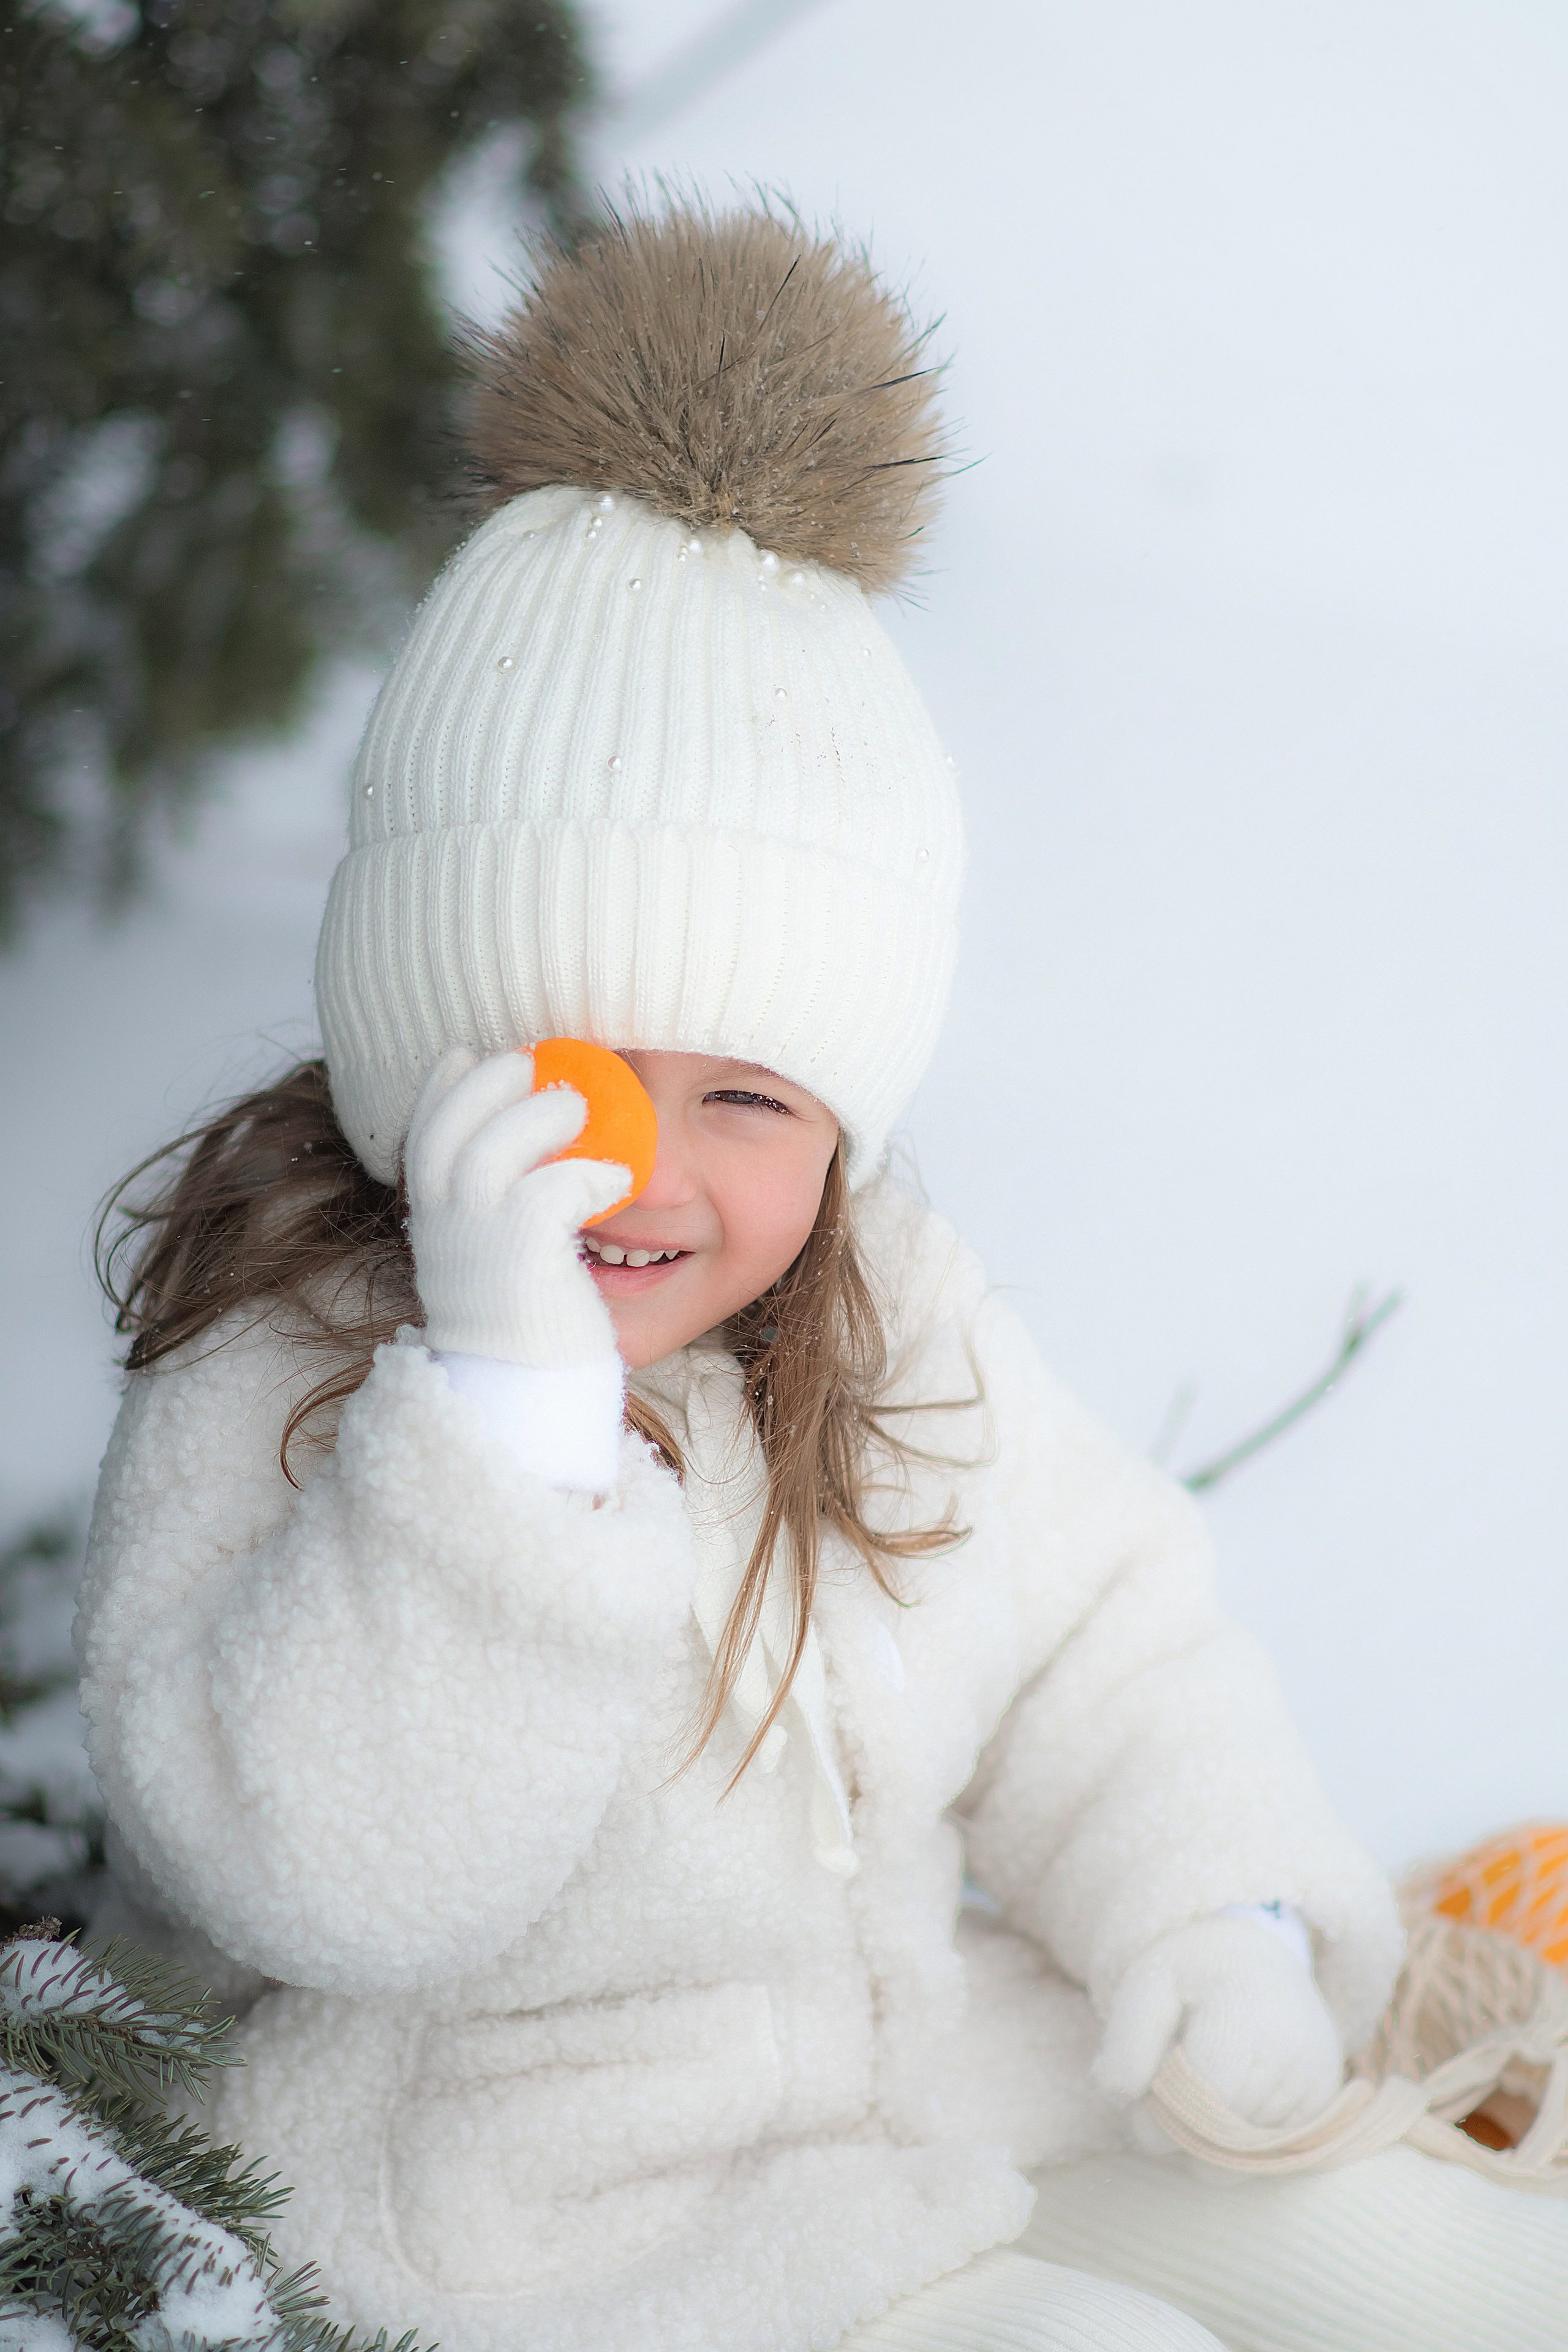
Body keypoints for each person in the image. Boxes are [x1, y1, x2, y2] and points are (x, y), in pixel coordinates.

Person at [79, 199, 1566, 2352]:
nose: (647, 1173)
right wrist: (506, 1426)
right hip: (539, 2229)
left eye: (751, 1099)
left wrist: (1211, 1912)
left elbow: (1099, 1647)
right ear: (422, 1048)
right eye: (567, 1075)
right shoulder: (284, 1363)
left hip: (905, 2090)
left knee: (1465, 2286)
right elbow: (324, 1877)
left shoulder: (889, 1310)